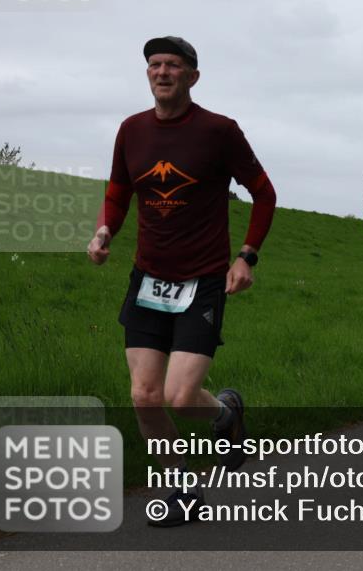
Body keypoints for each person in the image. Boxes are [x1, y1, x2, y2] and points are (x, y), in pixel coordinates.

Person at [87, 36, 277, 526]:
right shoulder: (131, 130)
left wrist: (246, 257)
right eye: (154, 65)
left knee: (179, 397)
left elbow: (263, 193)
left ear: (193, 76)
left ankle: (225, 414)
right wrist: (107, 228)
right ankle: (181, 487)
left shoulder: (219, 131)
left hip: (203, 280)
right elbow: (118, 188)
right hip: (148, 278)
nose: (162, 72)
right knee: (144, 396)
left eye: (173, 65)